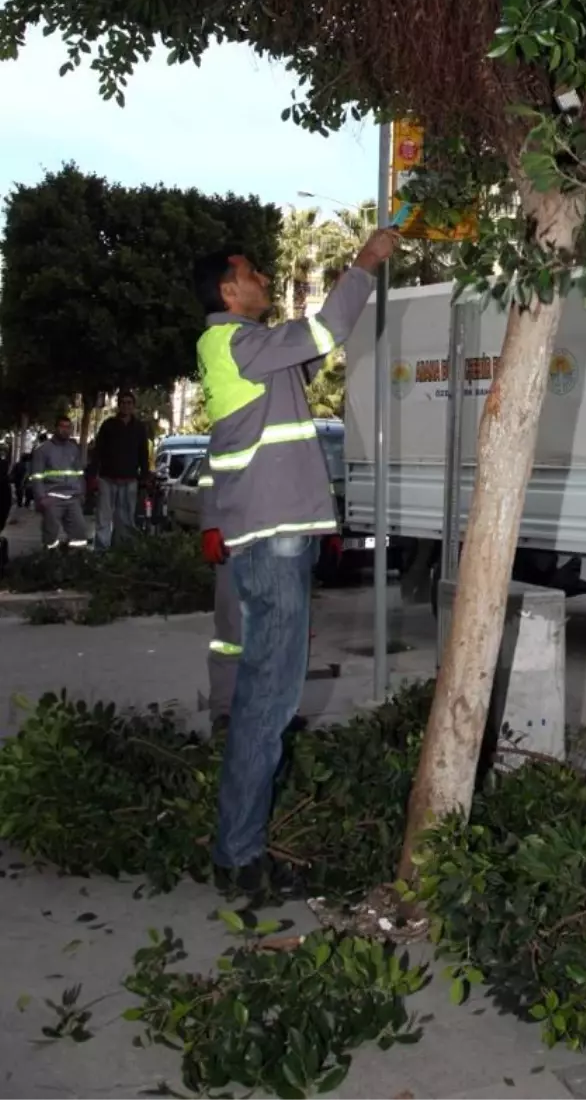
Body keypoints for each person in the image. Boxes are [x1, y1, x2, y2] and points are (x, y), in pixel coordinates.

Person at [194, 228, 397, 899]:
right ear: (228, 289)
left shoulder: (248, 353)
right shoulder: (234, 343)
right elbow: (326, 332)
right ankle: (240, 861)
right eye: (250, 269)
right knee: (266, 704)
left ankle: (237, 849)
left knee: (265, 698)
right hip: (274, 541)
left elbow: (308, 355)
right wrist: (365, 263)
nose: (261, 277)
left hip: (278, 536)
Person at [90, 389, 151, 549]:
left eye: (129, 403)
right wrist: (92, 475)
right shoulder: (108, 425)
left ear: (133, 406)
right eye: (123, 403)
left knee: (125, 519)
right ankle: (101, 550)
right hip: (107, 479)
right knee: (103, 517)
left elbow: (143, 453)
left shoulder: (139, 428)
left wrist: (144, 477)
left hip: (129, 480)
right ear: (118, 405)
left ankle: (121, 551)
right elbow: (98, 451)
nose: (126, 406)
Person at [26, 416, 90, 550]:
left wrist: (82, 494)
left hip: (72, 497)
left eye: (68, 427)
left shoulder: (74, 449)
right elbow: (36, 476)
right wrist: (41, 498)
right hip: (52, 497)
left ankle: (75, 562)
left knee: (80, 533)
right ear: (56, 428)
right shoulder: (42, 450)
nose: (65, 430)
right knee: (51, 536)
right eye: (62, 427)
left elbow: (79, 474)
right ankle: (50, 561)